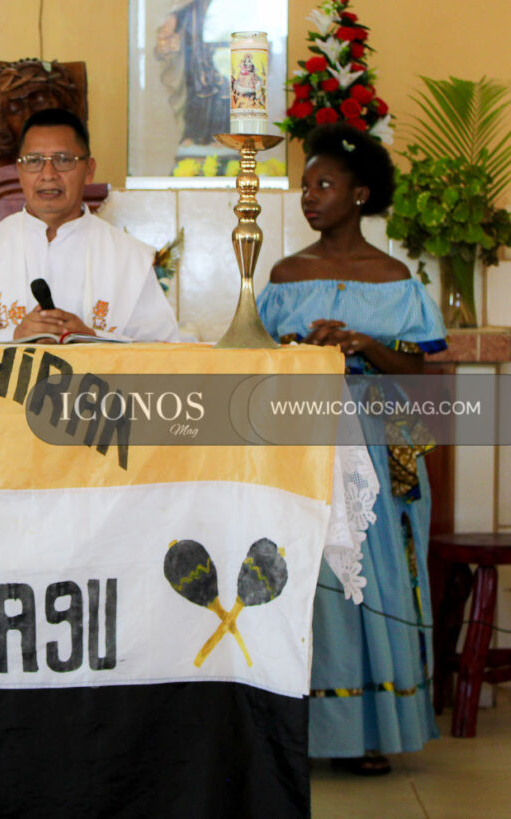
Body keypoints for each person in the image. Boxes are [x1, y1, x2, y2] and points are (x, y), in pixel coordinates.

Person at [257, 122, 446, 774]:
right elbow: (258, 359)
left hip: (383, 440)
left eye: (325, 184)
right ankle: (307, 726)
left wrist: (365, 343)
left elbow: (422, 371)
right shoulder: (284, 275)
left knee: (379, 573)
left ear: (361, 194)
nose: (310, 196)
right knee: (310, 572)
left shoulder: (395, 279)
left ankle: (371, 728)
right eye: (305, 185)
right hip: (304, 435)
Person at [0, 108, 180, 342]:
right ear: (20, 171)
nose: (48, 173)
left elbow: (165, 354)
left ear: (89, 170)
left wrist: (93, 340)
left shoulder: (129, 258)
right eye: (34, 160)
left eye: (64, 159)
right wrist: (11, 337)